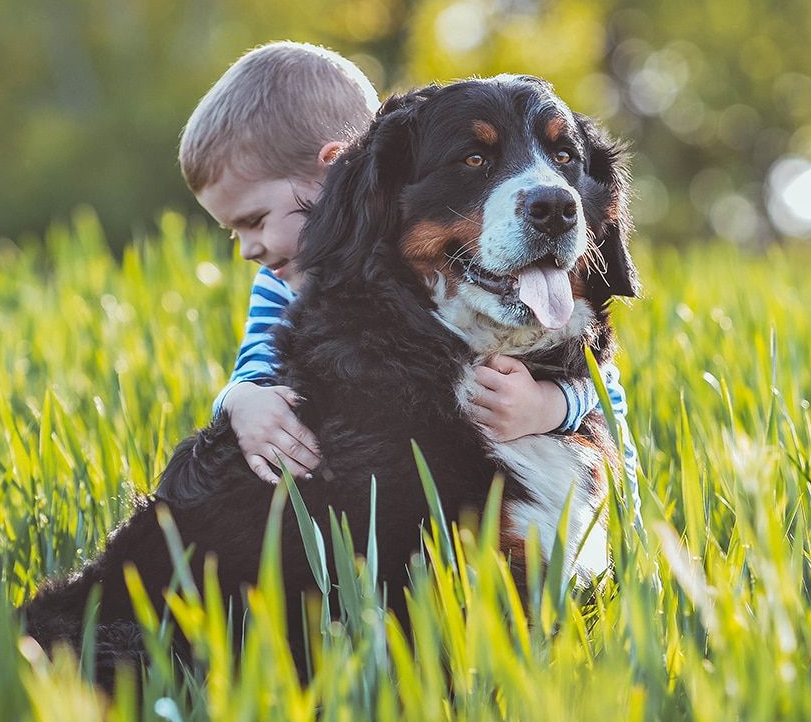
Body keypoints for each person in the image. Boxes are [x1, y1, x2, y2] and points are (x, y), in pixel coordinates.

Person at [177, 41, 641, 510]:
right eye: (475, 158)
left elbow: (608, 395)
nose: (247, 249)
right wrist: (240, 401)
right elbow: (254, 367)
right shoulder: (287, 286)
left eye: (255, 221)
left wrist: (550, 406)